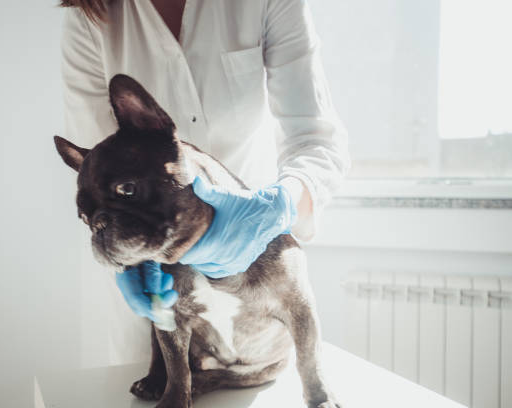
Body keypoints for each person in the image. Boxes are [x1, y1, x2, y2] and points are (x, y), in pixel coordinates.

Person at [59, 0, 350, 365]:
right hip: (157, 302)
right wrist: (130, 262)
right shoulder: (89, 15)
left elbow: (315, 138)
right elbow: (94, 171)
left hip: (252, 278)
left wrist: (278, 206)